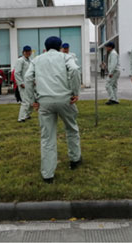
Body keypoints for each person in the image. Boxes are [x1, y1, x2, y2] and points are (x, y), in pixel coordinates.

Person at [24, 36, 82, 184]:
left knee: (47, 137)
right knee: (71, 128)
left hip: (44, 102)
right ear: (60, 46)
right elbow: (75, 70)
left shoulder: (37, 59)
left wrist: (32, 100)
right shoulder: (65, 57)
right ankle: (75, 159)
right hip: (65, 100)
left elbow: (28, 77)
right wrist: (75, 92)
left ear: (45, 46)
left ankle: (48, 174)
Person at [16, 45, 34, 122]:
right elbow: (17, 73)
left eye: (29, 51)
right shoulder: (20, 60)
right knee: (25, 101)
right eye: (26, 51)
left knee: (32, 100)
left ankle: (27, 115)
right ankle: (21, 118)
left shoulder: (30, 60)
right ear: (23, 52)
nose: (28, 53)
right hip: (23, 84)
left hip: (30, 83)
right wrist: (20, 83)